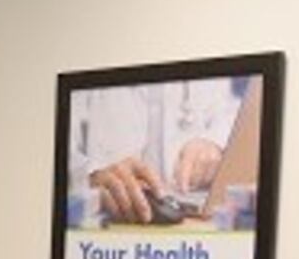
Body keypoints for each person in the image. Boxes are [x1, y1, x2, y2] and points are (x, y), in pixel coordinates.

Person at [70, 78, 245, 224]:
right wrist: (88, 177)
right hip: (103, 231)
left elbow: (231, 112)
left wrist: (214, 143)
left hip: (190, 219)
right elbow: (55, 145)